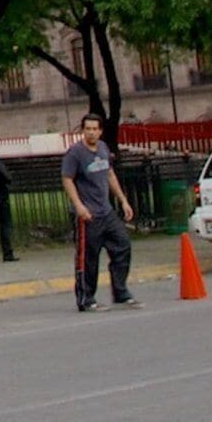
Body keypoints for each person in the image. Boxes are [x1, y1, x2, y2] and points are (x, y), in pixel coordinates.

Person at [61, 114, 134, 310]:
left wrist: (123, 200)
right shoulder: (75, 153)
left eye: (95, 129)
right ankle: (86, 299)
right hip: (88, 214)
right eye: (88, 129)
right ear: (83, 130)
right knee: (88, 258)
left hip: (106, 212)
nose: (91, 132)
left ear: (100, 131)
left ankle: (120, 292)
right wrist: (79, 206)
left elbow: (109, 174)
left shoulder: (103, 148)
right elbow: (67, 179)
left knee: (122, 245)